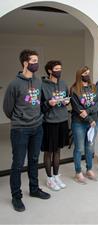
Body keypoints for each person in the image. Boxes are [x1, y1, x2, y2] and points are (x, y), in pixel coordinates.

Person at [3, 49, 50, 212]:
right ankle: (16, 196)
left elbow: (40, 102)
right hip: (20, 129)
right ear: (25, 63)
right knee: (17, 163)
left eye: (37, 60)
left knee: (34, 159)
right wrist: (20, 118)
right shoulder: (14, 84)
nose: (37, 64)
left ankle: (34, 189)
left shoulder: (38, 82)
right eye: (34, 60)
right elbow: (7, 109)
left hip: (37, 127)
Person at [41, 60, 69, 191]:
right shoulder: (43, 85)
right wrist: (48, 104)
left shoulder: (63, 84)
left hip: (62, 120)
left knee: (58, 150)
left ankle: (56, 175)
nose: (59, 71)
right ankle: (49, 178)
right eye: (56, 69)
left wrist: (66, 101)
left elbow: (67, 98)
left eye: (60, 68)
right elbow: (40, 106)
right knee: (49, 151)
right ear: (50, 71)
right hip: (49, 122)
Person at [70, 66, 98, 184]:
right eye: (85, 73)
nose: (88, 75)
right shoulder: (74, 89)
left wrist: (88, 112)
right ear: (80, 75)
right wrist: (89, 119)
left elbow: (97, 104)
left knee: (90, 147)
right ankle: (78, 172)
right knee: (79, 148)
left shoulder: (93, 87)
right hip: (79, 123)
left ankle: (89, 169)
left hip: (93, 121)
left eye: (88, 73)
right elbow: (78, 109)